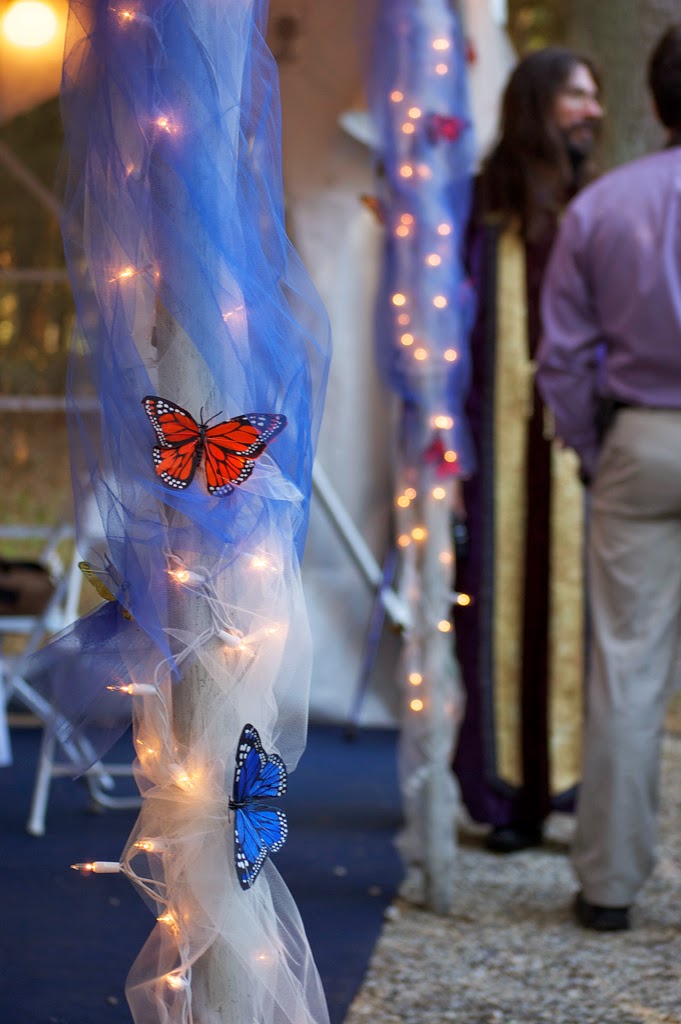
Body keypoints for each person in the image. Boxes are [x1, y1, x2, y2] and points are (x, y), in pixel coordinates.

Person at [536, 24, 681, 931]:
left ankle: (608, 888)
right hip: (637, 436)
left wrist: (595, 450)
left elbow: (561, 361)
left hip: (642, 442)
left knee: (627, 668)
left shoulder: (602, 205)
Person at [453, 48, 603, 853]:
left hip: (577, 439)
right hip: (494, 437)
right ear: (537, 102)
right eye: (575, 95)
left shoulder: (596, 199)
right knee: (495, 607)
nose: (591, 110)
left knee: (571, 609)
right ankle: (505, 795)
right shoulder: (483, 199)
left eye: (594, 96)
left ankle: (565, 785)